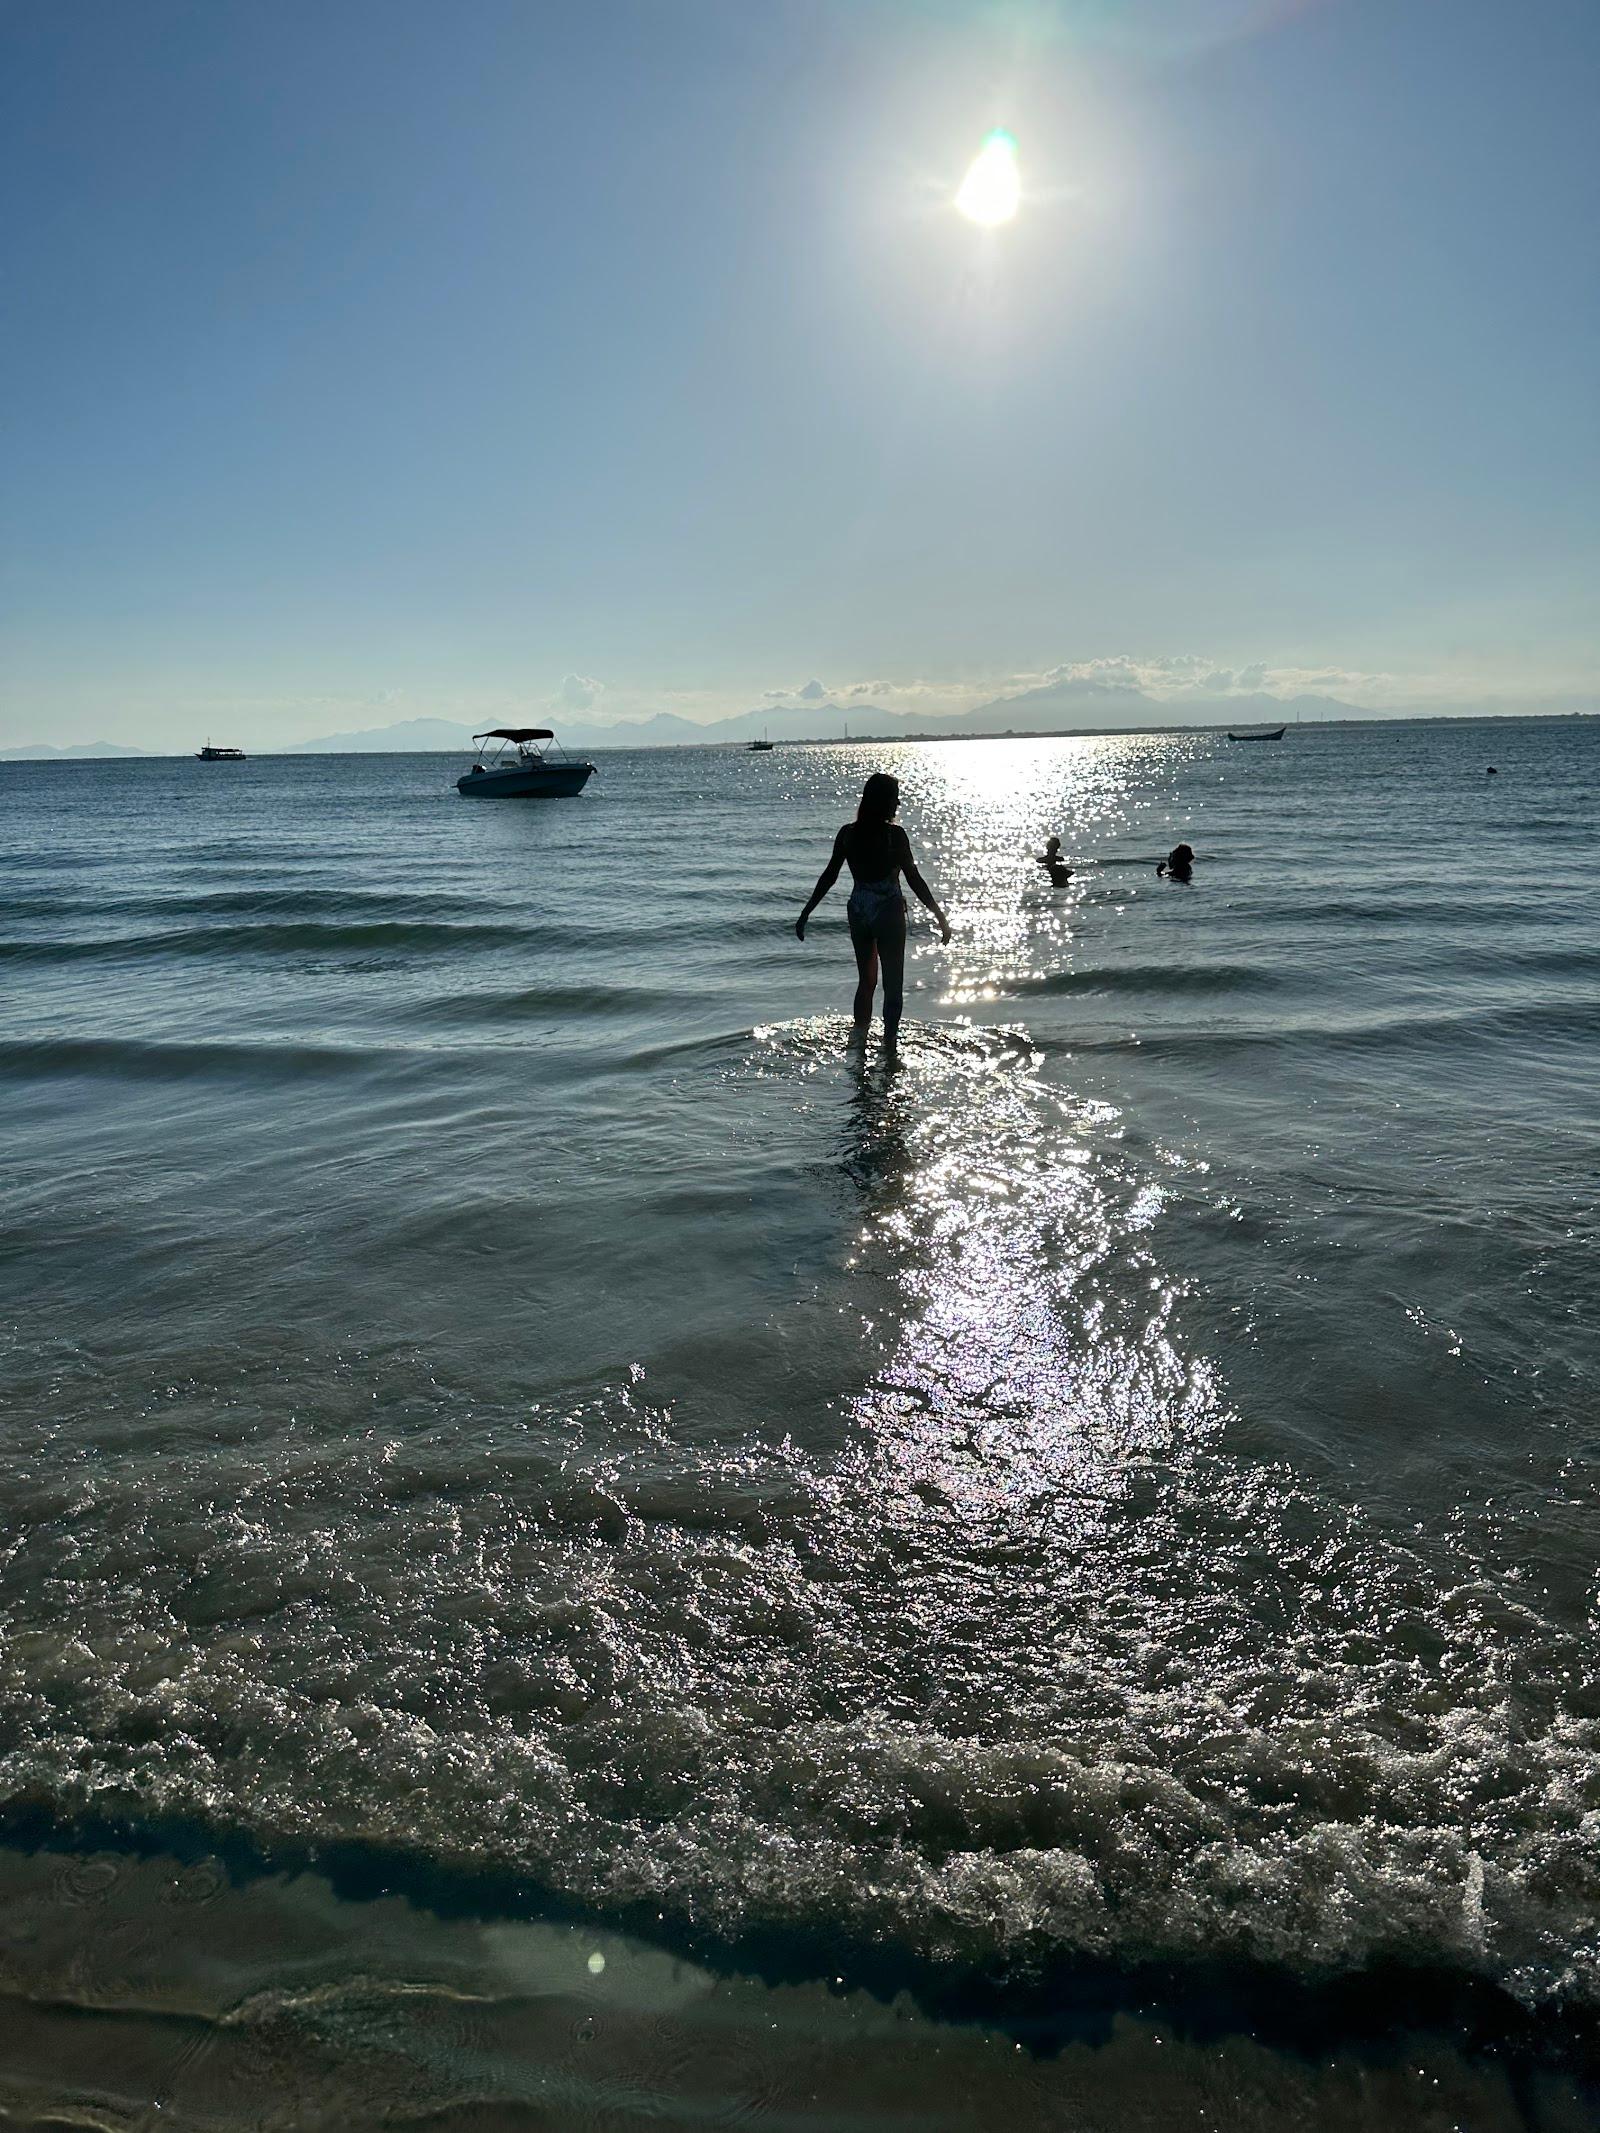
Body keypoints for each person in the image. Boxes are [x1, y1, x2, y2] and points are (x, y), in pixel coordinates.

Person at [795, 772, 950, 1042]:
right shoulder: (895, 836)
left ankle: (860, 1043)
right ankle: (889, 1047)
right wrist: (939, 915)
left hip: (859, 911)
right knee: (892, 987)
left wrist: (806, 912)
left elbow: (829, 876)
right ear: (884, 802)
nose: (898, 804)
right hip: (888, 910)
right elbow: (914, 879)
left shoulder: (848, 834)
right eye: (894, 799)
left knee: (866, 983)